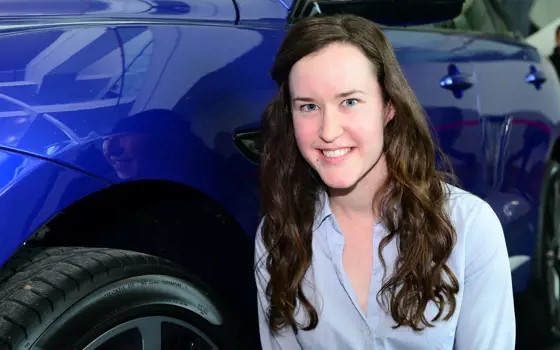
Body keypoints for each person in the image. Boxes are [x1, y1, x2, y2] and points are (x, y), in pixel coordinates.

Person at [254, 14, 515, 349]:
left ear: (389, 107)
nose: (328, 131)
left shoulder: (469, 228)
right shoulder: (277, 239)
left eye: (349, 101)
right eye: (308, 106)